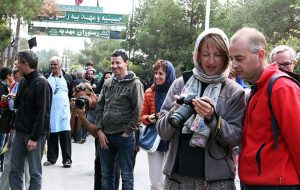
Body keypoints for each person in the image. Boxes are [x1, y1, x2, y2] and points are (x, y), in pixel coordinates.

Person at [156, 28, 246, 189]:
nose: (211, 61)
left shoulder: (234, 91)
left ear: (226, 57)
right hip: (177, 178)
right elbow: (163, 132)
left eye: (217, 54)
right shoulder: (180, 84)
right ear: (197, 55)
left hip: (216, 182)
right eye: (206, 54)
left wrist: (212, 117)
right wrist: (174, 111)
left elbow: (235, 138)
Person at [229, 27, 300, 189]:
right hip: (256, 182)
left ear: (260, 55)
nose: (233, 65)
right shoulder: (259, 87)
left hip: (276, 184)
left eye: (239, 58)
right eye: (231, 58)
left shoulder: (281, 87)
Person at [96, 49, 144, 190]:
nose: (114, 66)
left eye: (118, 62)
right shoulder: (108, 83)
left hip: (125, 137)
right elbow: (99, 106)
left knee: (127, 176)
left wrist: (127, 133)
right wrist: (99, 130)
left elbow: (138, 111)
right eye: (112, 63)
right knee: (106, 175)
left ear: (126, 63)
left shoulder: (135, 84)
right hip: (106, 136)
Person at [9, 49, 52, 190]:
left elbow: (43, 114)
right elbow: (18, 106)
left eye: (18, 62)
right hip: (20, 132)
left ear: (26, 64)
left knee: (34, 173)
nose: (16, 66)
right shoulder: (23, 82)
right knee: (15, 170)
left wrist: (34, 137)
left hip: (34, 135)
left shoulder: (42, 83)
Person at [140, 59, 176, 190]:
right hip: (155, 139)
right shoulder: (150, 92)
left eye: (161, 73)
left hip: (173, 140)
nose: (156, 76)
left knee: (172, 180)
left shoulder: (178, 92)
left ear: (169, 75)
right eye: (155, 73)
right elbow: (142, 117)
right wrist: (149, 118)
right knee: (156, 181)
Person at [0, 65, 30, 190]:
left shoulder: (30, 84)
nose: (12, 74)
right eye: (12, 72)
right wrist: (5, 101)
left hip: (27, 130)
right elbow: (9, 107)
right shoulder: (13, 85)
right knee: (8, 162)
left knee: (28, 166)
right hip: (13, 128)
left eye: (15, 72)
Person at [43, 56, 73, 168]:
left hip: (64, 110)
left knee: (65, 135)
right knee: (52, 135)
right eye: (51, 64)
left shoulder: (68, 77)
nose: (53, 66)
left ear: (60, 65)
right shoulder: (46, 77)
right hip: (51, 110)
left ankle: (67, 159)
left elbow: (71, 93)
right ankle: (51, 158)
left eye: (55, 64)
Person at [0, 67, 14, 172]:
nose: (13, 76)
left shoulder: (7, 86)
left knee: (3, 143)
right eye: (11, 74)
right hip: (2, 119)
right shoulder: (2, 87)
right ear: (8, 76)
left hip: (4, 120)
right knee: (2, 143)